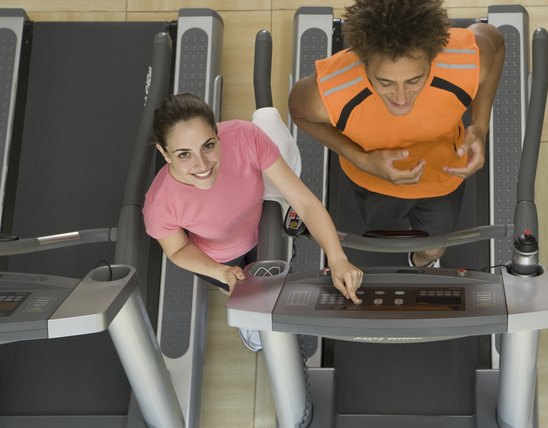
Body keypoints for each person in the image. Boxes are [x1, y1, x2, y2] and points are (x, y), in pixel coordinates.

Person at [288, 0, 505, 268]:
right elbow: (297, 112)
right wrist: (360, 159)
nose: (401, 98)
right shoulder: (335, 88)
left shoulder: (461, 62)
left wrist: (480, 126)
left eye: (415, 80)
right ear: (364, 63)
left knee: (434, 250)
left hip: (443, 177)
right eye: (386, 82)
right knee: (383, 230)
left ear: (433, 57)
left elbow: (495, 41)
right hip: (371, 180)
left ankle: (421, 261)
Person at [143, 94, 364, 349]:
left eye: (208, 146)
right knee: (241, 291)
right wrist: (221, 272)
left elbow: (305, 203)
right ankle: (248, 314)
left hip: (260, 230)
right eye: (184, 154)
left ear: (217, 133)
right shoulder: (159, 203)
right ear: (164, 152)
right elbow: (178, 249)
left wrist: (337, 258)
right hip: (219, 257)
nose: (201, 164)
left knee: (275, 279)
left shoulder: (245, 137)